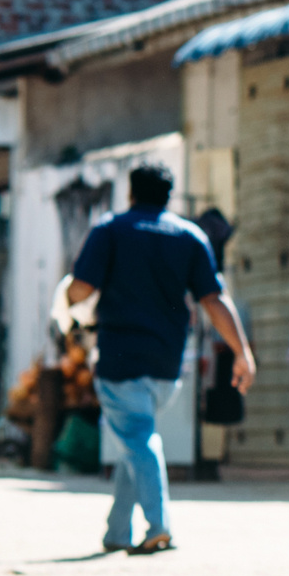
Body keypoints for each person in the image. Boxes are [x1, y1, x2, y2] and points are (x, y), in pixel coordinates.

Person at [66, 164, 257, 554]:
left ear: (131, 192)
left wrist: (65, 301)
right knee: (134, 439)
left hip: (120, 359)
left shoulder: (110, 229)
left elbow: (81, 288)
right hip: (168, 364)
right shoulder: (190, 236)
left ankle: (159, 526)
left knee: (138, 440)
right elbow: (214, 300)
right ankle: (117, 531)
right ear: (169, 195)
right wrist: (242, 352)